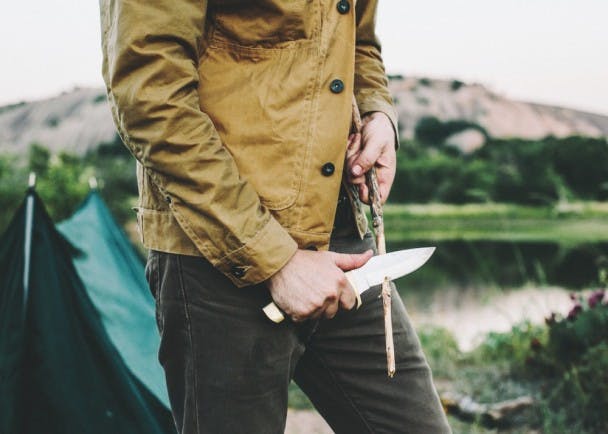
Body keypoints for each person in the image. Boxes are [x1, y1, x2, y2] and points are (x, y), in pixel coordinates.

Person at [100, 1, 451, 433]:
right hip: (216, 254)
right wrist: (275, 257)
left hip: (342, 244)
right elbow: (150, 95)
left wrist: (378, 111)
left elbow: (357, 39)